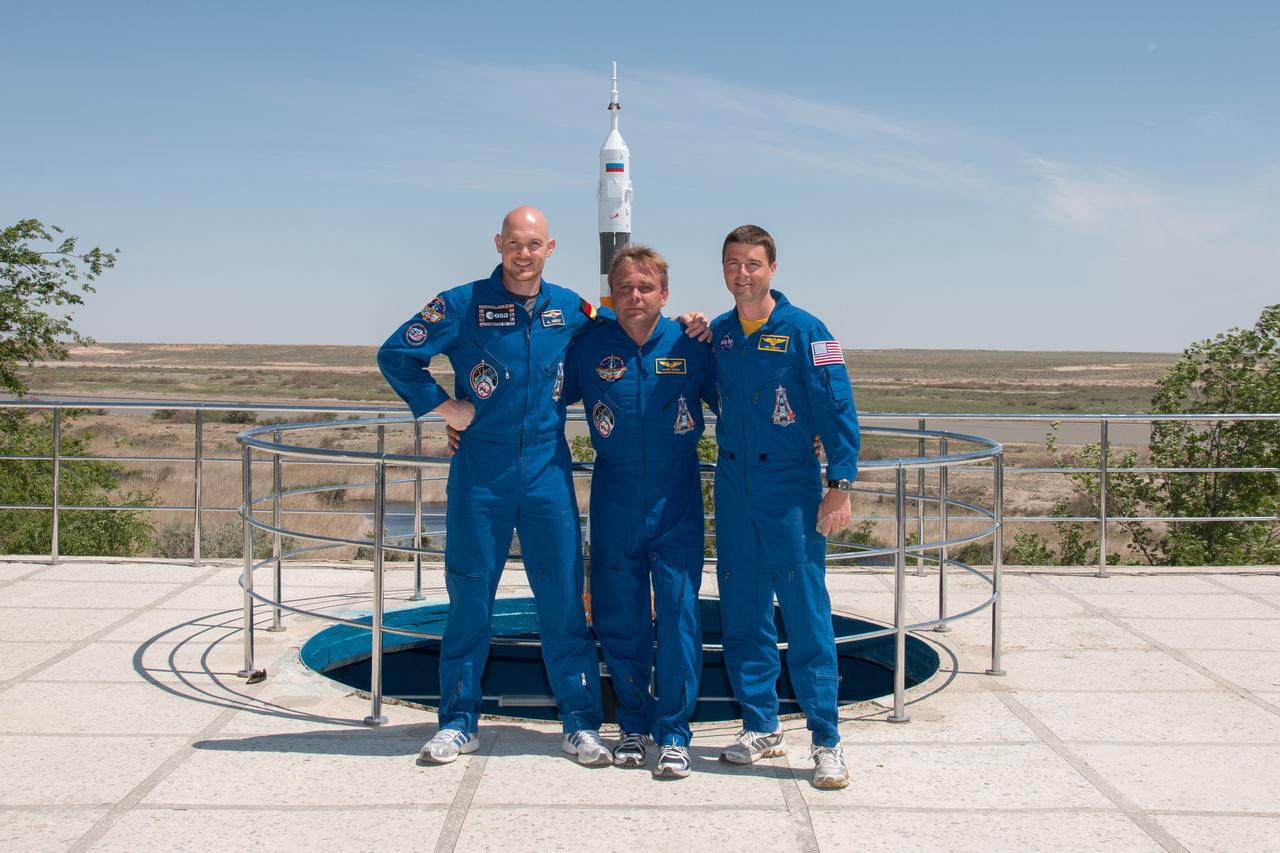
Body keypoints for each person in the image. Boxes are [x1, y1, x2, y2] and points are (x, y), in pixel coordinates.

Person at [377, 206, 614, 767]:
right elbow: (396, 354)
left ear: (550, 247)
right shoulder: (461, 304)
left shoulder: (572, 307)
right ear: (498, 244)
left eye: (534, 244)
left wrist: (691, 327)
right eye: (514, 243)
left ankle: (579, 724)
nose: (523, 253)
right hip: (480, 474)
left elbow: (628, 331)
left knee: (561, 599)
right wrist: (444, 406)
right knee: (469, 598)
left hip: (546, 473)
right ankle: (458, 722)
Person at [709, 224, 860, 790]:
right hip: (733, 485)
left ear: (772, 268)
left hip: (791, 488)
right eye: (732, 264)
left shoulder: (806, 330)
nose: (741, 273)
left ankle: (827, 739)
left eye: (752, 263)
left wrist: (839, 483)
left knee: (805, 612)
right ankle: (761, 724)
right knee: (743, 608)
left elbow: (837, 406)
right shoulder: (720, 335)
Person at [562, 244, 715, 779]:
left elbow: (742, 402)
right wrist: (464, 419)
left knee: (678, 615)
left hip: (677, 501)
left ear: (665, 294)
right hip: (614, 499)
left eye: (645, 287)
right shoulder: (587, 347)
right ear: (612, 293)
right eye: (624, 287)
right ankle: (631, 724)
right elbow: (534, 397)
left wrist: (809, 436)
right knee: (619, 618)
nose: (634, 296)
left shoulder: (693, 343)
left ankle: (674, 733)